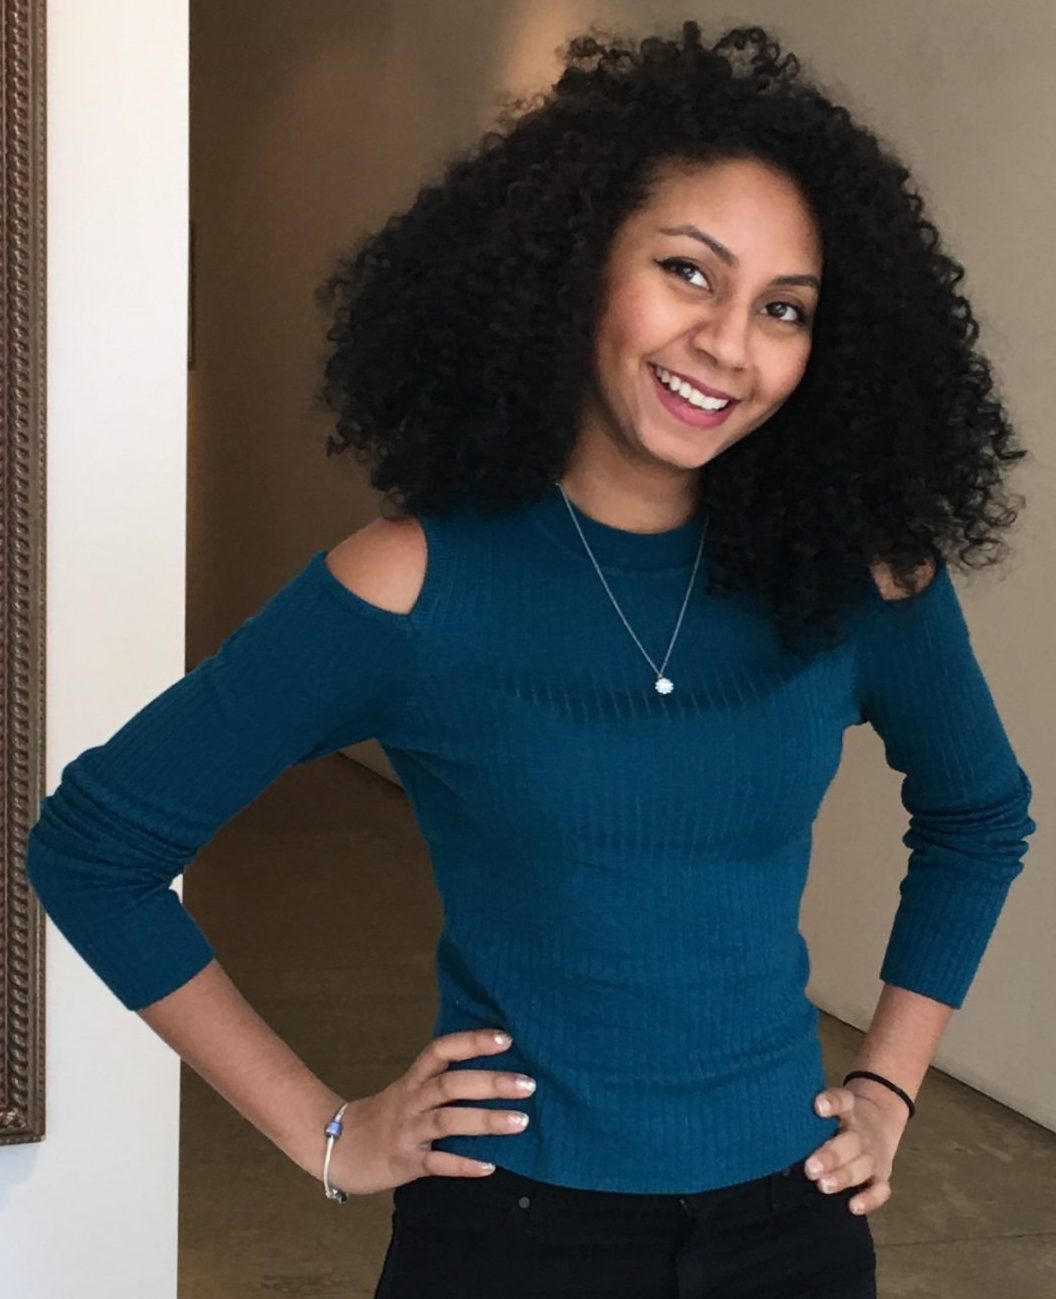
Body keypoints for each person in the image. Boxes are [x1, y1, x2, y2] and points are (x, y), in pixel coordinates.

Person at [25, 20, 1036, 1299]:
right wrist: (323, 1131)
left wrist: (889, 1083)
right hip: (508, 1235)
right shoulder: (412, 584)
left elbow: (979, 813)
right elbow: (93, 848)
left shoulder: (859, 580)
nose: (730, 343)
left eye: (784, 309)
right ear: (576, 264)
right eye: (687, 271)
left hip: (793, 1221)